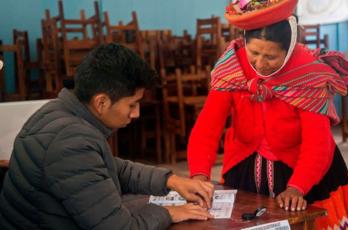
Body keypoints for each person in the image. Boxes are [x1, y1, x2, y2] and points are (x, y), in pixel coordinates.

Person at [0, 43, 214, 230]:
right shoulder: (70, 140)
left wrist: (171, 181)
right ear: (101, 102)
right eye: (132, 104)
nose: (136, 113)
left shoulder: (58, 111)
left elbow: (111, 167)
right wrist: (168, 213)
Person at [187, 0, 348, 229]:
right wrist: (199, 175)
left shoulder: (308, 73)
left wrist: (297, 187)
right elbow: (206, 129)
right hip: (244, 162)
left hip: (304, 169)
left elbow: (317, 144)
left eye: (271, 57)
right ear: (245, 42)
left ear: (288, 50)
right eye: (254, 52)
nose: (260, 63)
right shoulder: (231, 67)